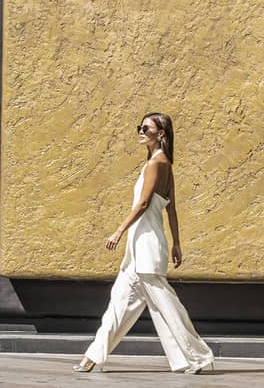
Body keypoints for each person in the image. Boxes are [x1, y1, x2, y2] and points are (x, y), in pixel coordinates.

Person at [73, 112, 215, 374]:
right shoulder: (162, 164)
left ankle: (200, 357)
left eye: (146, 128)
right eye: (139, 127)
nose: (140, 131)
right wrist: (176, 243)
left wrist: (118, 231)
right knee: (118, 303)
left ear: (160, 134)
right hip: (140, 248)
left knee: (168, 307)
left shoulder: (156, 165)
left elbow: (144, 204)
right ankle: (92, 356)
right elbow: (171, 209)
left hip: (147, 247)